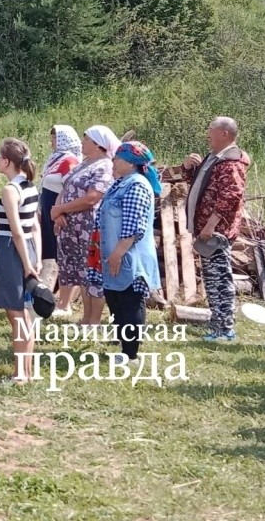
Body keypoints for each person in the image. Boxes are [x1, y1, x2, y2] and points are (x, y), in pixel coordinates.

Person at [161, 116, 251, 341]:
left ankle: (225, 329)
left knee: (220, 280)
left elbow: (231, 196)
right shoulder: (215, 158)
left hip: (217, 232)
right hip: (205, 230)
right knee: (211, 279)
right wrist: (189, 168)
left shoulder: (231, 162)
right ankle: (216, 324)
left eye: (211, 129)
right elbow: (204, 187)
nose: (207, 133)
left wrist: (211, 225)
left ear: (224, 134)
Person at [95, 141, 163, 363]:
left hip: (128, 256)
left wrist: (118, 254)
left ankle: (130, 354)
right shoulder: (122, 183)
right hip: (116, 253)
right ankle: (123, 344)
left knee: (130, 301)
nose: (113, 162)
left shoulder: (136, 186)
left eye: (117, 159)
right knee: (115, 299)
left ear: (130, 163)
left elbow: (135, 227)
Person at [51, 125, 118, 324]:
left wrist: (63, 209)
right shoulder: (84, 163)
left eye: (86, 139)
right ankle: (85, 317)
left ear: (98, 145)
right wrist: (58, 211)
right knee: (80, 272)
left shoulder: (104, 166)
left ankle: (93, 320)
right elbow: (66, 188)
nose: (82, 142)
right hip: (71, 227)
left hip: (89, 227)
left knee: (91, 273)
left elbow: (92, 197)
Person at [0, 138, 41, 384]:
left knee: (17, 314)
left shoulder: (10, 190)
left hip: (12, 249)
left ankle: (20, 374)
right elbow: (34, 225)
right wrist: (36, 259)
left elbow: (17, 231)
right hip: (28, 250)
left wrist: (26, 264)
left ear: (7, 161)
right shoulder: (30, 186)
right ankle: (26, 371)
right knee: (25, 315)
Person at [38, 125, 82, 300]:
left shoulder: (70, 160)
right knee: (48, 247)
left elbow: (69, 187)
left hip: (59, 213)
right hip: (47, 210)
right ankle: (48, 287)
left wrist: (60, 212)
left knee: (58, 249)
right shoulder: (55, 159)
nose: (52, 141)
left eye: (56, 137)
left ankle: (60, 292)